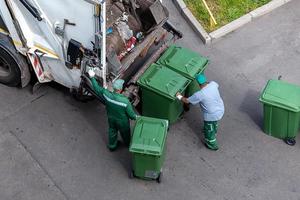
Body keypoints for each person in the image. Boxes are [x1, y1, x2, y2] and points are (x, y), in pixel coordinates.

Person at [88, 69, 137, 151]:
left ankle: (112, 146)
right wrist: (136, 117)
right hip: (122, 122)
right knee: (125, 133)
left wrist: (92, 77)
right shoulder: (125, 101)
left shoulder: (107, 95)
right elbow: (131, 115)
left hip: (111, 118)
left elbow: (96, 88)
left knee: (112, 130)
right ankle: (127, 144)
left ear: (114, 88)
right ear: (120, 89)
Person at [176, 74, 224, 151]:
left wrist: (178, 95)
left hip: (211, 115)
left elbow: (186, 101)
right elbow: (214, 85)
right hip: (220, 109)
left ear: (198, 83)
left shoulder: (200, 94)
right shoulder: (213, 84)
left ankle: (212, 145)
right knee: (214, 123)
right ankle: (213, 131)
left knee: (209, 130)